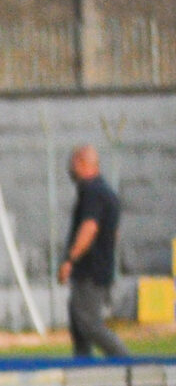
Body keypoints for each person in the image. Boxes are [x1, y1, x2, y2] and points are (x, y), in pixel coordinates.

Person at [60, 144, 129, 359]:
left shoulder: (91, 191)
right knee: (79, 326)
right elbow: (114, 233)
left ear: (82, 162)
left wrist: (70, 259)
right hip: (100, 267)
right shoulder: (106, 192)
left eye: (72, 164)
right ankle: (82, 368)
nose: (70, 169)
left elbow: (89, 228)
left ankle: (129, 363)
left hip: (90, 270)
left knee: (88, 324)